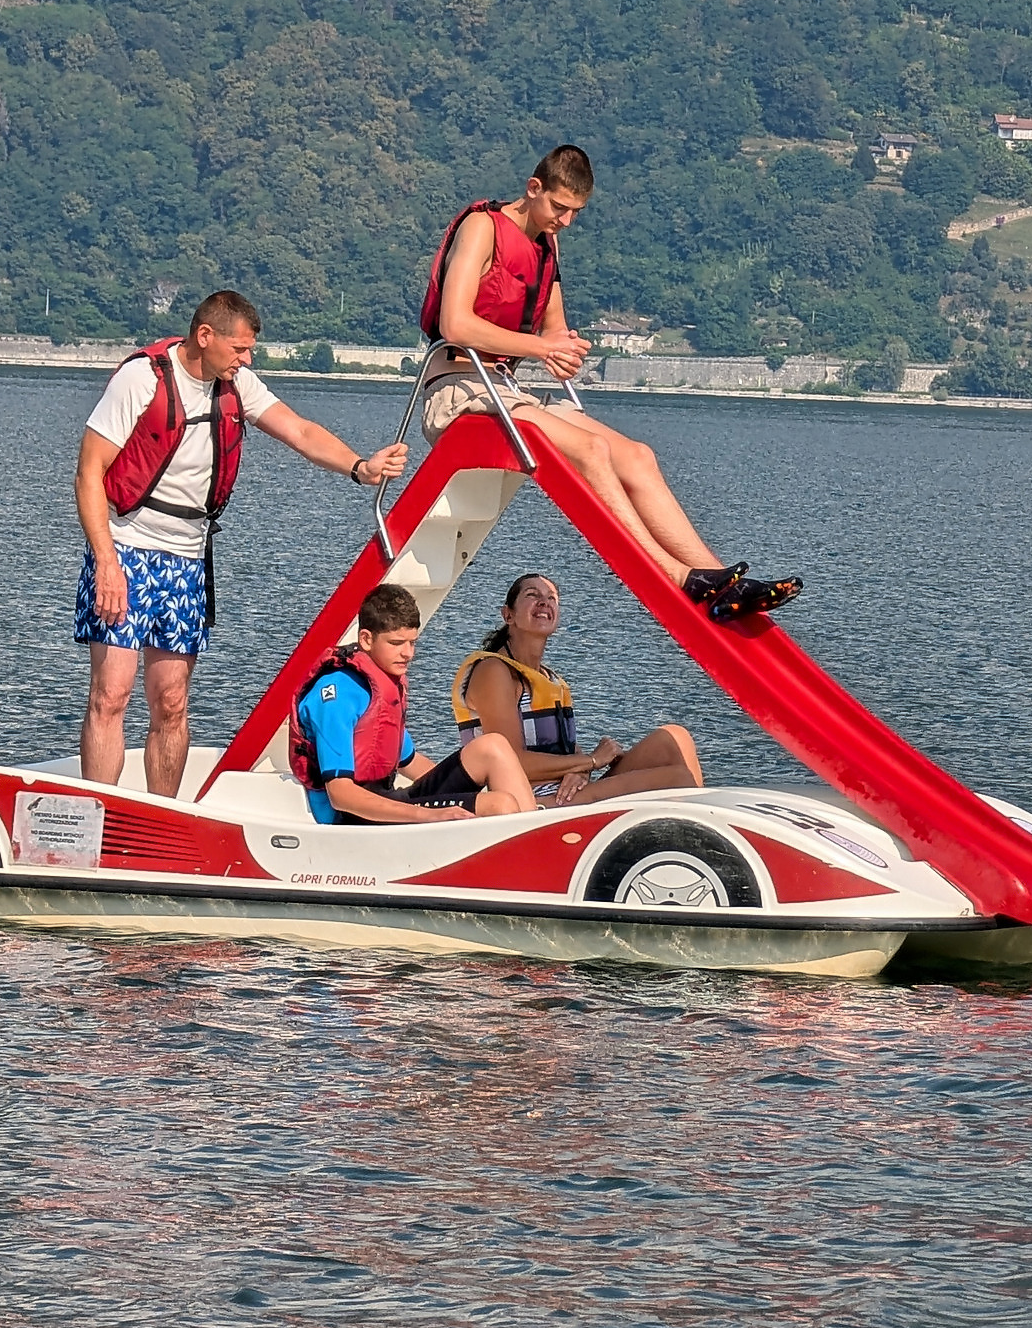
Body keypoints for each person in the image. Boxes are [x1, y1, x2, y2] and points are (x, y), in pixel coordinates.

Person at [419, 144, 801, 623]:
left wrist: (565, 350)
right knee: (592, 451)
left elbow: (553, 330)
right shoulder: (482, 227)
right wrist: (540, 349)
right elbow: (454, 324)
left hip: (505, 390)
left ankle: (722, 581)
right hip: (457, 390)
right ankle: (675, 575)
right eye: (559, 207)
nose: (565, 221)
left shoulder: (546, 244)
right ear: (533, 188)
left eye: (576, 212)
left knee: (638, 456)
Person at [74, 290, 409, 799]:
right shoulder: (143, 379)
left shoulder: (235, 385)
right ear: (205, 336)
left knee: (171, 701)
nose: (247, 360)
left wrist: (361, 467)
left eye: (250, 350)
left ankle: (164, 816)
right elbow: (89, 473)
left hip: (187, 557)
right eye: (240, 349)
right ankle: (97, 813)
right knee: (111, 694)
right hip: (126, 546)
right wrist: (105, 561)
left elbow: (299, 431)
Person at [453, 573, 702, 807]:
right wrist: (592, 761)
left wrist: (582, 770)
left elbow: (567, 751)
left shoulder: (548, 678)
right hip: (528, 803)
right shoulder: (493, 670)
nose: (544, 602)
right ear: (508, 615)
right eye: (532, 595)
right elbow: (511, 762)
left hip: (564, 791)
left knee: (673, 739)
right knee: (676, 779)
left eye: (551, 598)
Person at [290, 586, 534, 823]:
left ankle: (537, 830)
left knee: (492, 746)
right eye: (396, 643)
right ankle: (525, 839)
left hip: (388, 798)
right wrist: (432, 814)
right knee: (500, 805)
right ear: (366, 639)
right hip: (352, 817)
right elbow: (340, 795)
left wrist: (457, 795)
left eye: (412, 642)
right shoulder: (337, 695)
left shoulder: (383, 685)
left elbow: (412, 763)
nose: (408, 653)